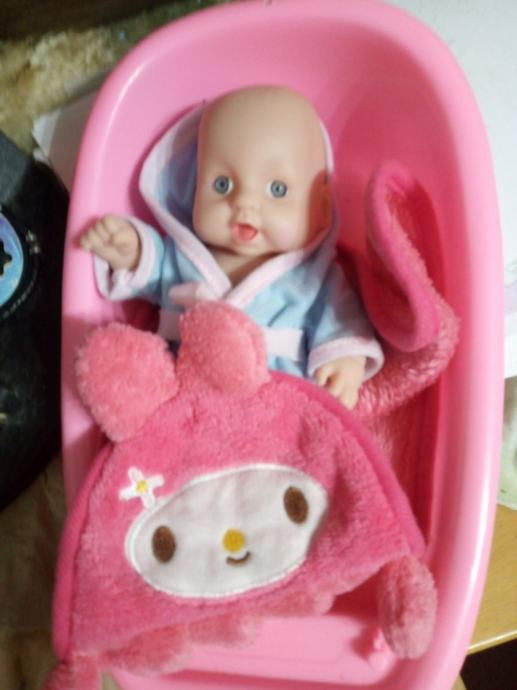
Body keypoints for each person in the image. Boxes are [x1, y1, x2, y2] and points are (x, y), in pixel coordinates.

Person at [80, 85, 383, 408]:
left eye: (277, 189)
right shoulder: (183, 256)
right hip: (181, 396)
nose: (244, 203)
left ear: (320, 206)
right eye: (222, 185)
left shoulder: (314, 277)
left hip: (273, 406)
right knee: (128, 378)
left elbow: (341, 319)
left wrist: (345, 359)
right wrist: (133, 253)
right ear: (194, 189)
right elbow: (154, 271)